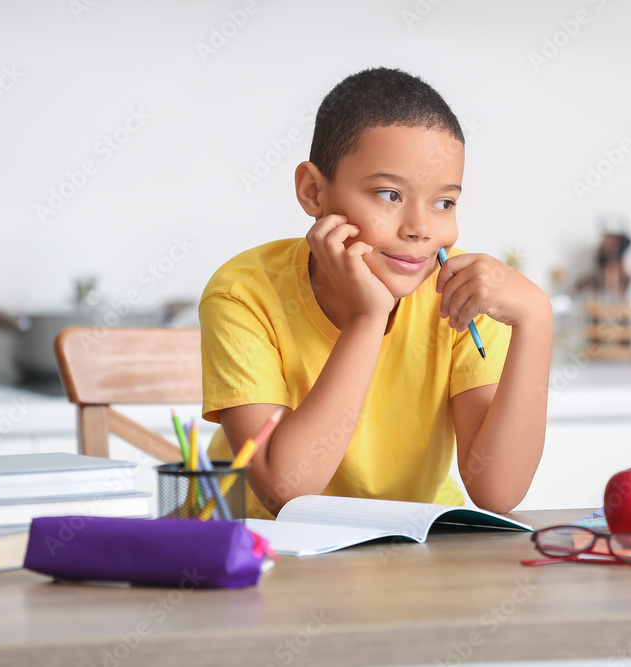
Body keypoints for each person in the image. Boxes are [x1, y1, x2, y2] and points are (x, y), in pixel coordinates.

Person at [201, 67, 552, 520]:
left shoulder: (465, 293)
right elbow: (286, 493)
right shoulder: (243, 293)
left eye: (444, 203)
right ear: (313, 192)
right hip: (263, 557)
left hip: (407, 550)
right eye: (389, 195)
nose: (421, 230)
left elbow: (498, 491)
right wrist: (367, 319)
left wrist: (536, 318)